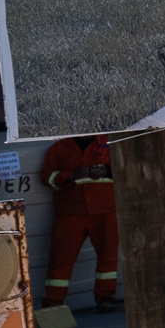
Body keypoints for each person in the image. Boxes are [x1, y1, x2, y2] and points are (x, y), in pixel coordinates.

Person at [39, 132, 118, 311]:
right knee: (61, 260)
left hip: (105, 211)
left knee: (108, 257)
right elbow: (46, 177)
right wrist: (69, 175)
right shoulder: (58, 148)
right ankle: (53, 304)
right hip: (70, 213)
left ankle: (105, 298)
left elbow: (126, 168)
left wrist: (107, 170)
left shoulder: (110, 144)